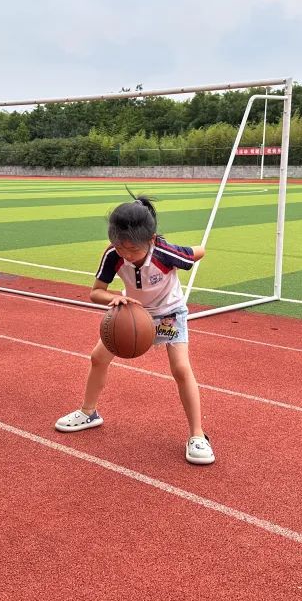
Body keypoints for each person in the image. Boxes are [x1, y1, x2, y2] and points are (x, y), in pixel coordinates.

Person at [55, 193, 213, 465]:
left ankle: (197, 435)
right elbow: (96, 293)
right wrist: (114, 298)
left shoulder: (165, 252)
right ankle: (89, 412)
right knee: (97, 357)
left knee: (181, 369)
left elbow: (198, 252)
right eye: (120, 248)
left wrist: (193, 253)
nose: (126, 254)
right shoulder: (112, 255)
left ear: (151, 241)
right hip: (133, 314)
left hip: (169, 315)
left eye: (132, 250)